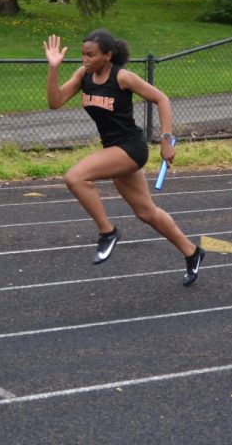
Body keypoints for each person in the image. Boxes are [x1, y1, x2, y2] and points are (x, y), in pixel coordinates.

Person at [44, 29, 205, 286]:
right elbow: (55, 101)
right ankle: (192, 252)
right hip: (113, 149)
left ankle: (108, 232)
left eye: (91, 55)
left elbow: (161, 99)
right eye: (83, 54)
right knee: (146, 212)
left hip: (131, 148)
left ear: (108, 56)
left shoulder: (122, 77)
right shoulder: (83, 75)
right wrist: (53, 68)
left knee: (75, 177)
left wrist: (166, 140)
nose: (85, 59)